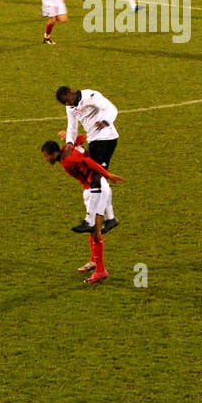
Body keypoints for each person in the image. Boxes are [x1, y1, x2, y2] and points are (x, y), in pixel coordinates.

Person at [40, 139, 124, 283]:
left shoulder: (68, 159)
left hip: (96, 189)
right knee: (91, 227)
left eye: (46, 156)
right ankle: (94, 260)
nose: (45, 159)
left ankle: (100, 271)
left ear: (54, 153)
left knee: (95, 230)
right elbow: (82, 139)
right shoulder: (69, 149)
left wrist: (108, 175)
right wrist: (69, 136)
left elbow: (88, 162)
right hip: (91, 188)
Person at [55, 86, 120, 233]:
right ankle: (109, 219)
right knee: (98, 178)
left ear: (71, 93)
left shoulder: (91, 96)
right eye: (65, 104)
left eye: (68, 101)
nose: (68, 105)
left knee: (96, 178)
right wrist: (70, 143)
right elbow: (72, 125)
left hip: (106, 138)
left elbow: (111, 108)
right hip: (95, 141)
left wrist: (105, 122)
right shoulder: (71, 106)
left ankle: (91, 220)